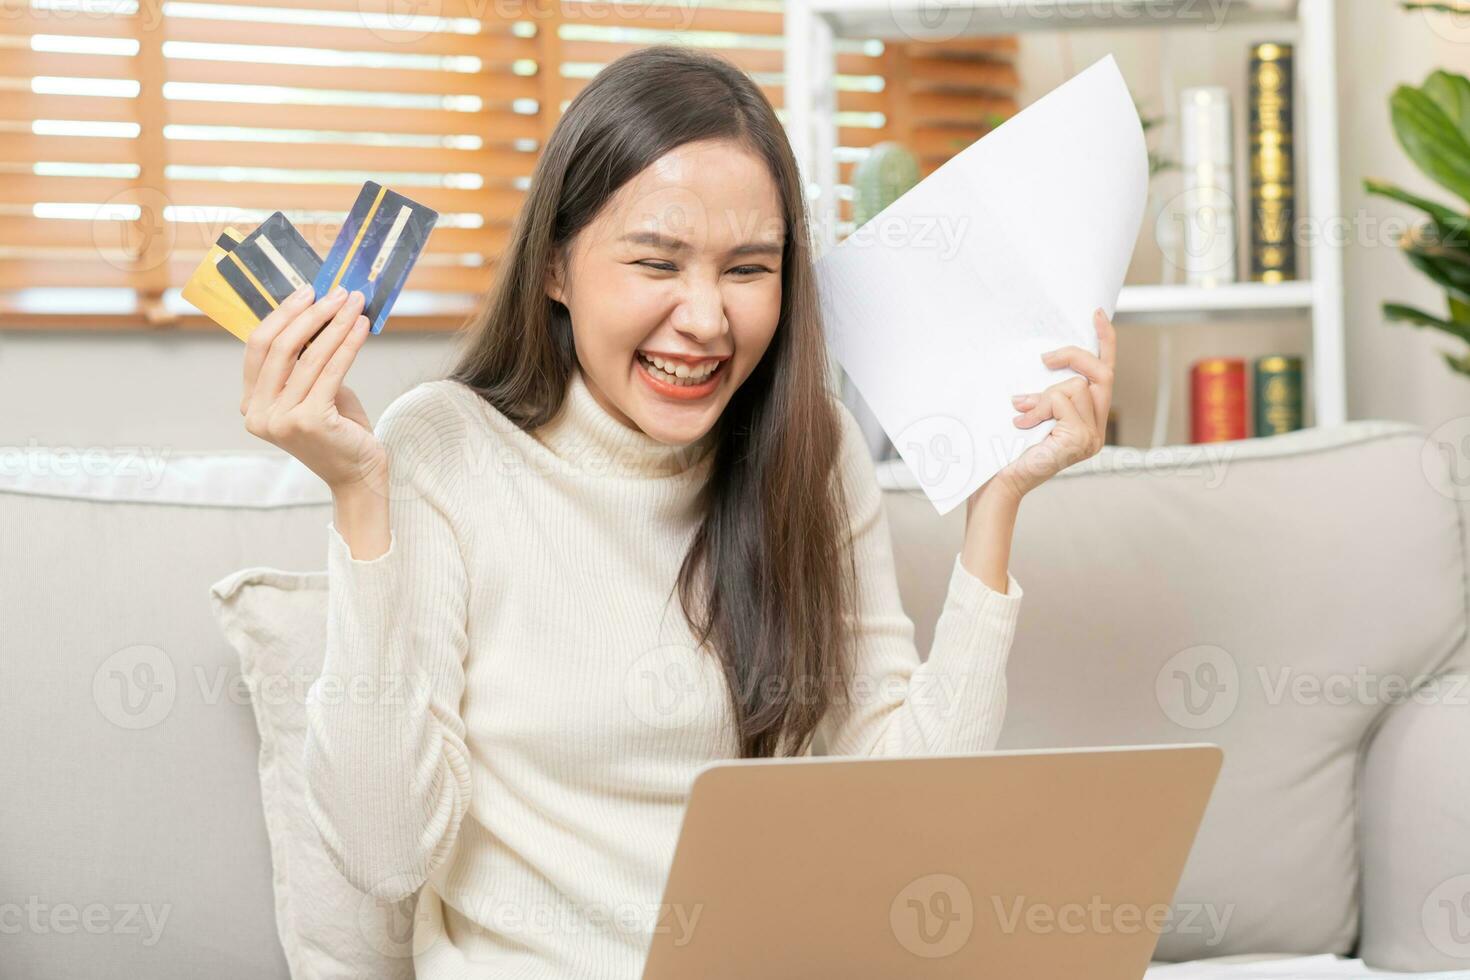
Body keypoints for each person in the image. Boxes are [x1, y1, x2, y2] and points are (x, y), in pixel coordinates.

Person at [239, 43, 1115, 980]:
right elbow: (385, 856)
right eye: (657, 262)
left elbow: (910, 807)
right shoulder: (440, 448)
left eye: (748, 270)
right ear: (556, 268)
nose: (706, 319)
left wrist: (996, 506)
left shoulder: (809, 450)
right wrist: (360, 498)